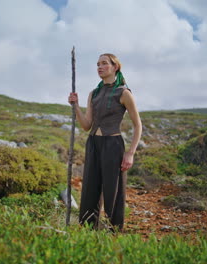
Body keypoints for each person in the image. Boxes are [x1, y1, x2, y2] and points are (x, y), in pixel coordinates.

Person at [68, 53, 142, 231]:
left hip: (113, 145)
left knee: (113, 192)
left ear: (115, 67)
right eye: (97, 64)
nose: (99, 67)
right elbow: (86, 125)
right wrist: (76, 106)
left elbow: (138, 125)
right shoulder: (94, 93)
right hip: (93, 143)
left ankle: (114, 231)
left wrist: (130, 153)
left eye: (104, 64)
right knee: (89, 190)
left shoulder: (124, 93)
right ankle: (88, 230)